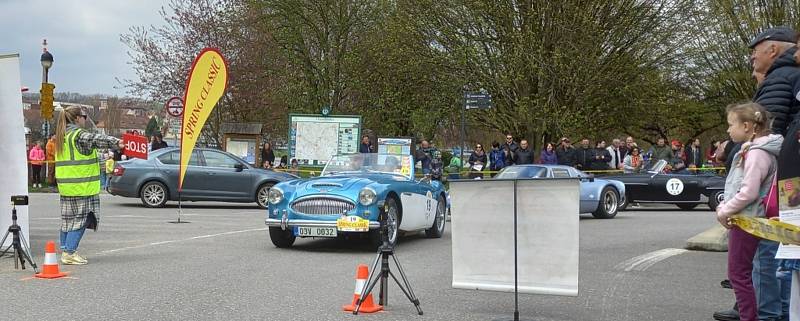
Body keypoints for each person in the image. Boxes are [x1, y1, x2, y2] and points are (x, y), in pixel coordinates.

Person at [715, 102, 783, 321]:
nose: (728, 130)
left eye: (730, 124)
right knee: (749, 273)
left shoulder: (756, 154)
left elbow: (748, 192)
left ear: (747, 126)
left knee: (738, 275)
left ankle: (749, 317)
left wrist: (724, 210)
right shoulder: (758, 151)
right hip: (753, 219)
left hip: (747, 221)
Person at [54, 107, 123, 265]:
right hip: (82, 185)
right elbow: (94, 139)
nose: (85, 119)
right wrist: (117, 142)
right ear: (77, 118)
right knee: (82, 219)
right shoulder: (77, 135)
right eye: (84, 116)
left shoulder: (62, 136)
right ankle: (70, 252)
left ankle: (65, 248)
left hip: (67, 186)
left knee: (67, 220)